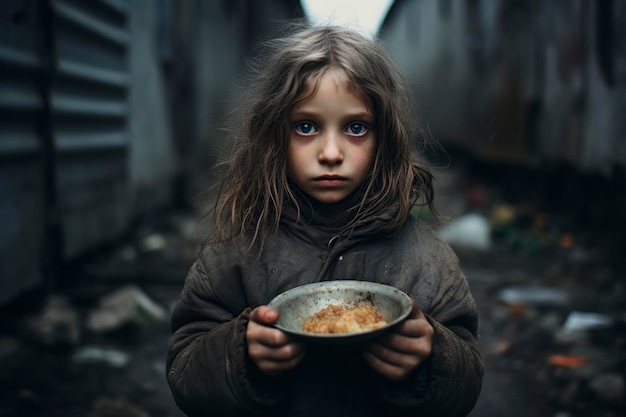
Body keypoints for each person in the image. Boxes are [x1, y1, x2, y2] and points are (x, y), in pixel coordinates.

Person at [166, 23, 483, 417]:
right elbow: (185, 373)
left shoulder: (426, 260)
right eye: (306, 127)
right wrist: (242, 354)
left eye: (355, 128)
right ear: (273, 135)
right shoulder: (236, 253)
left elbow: (466, 385)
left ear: (384, 137)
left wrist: (431, 357)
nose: (330, 152)